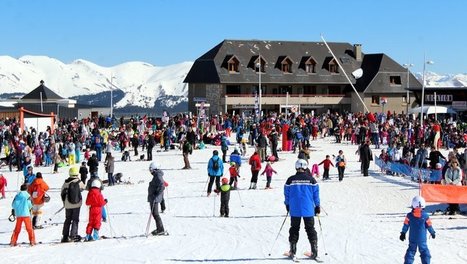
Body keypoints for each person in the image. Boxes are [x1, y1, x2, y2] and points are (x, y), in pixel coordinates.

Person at [284, 159, 321, 261]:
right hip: (308, 209)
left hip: (295, 209)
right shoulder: (312, 180)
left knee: (294, 228)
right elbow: (316, 195)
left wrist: (287, 205)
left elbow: (286, 194)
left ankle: (293, 251)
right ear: (306, 167)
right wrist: (317, 206)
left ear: (296, 167)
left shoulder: (290, 180)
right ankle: (314, 251)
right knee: (310, 229)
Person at [400, 196, 436, 264]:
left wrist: (403, 233)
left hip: (412, 238)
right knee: (424, 251)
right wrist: (432, 232)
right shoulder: (425, 216)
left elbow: (406, 225)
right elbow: (429, 225)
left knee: (411, 251)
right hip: (422, 239)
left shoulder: (409, 216)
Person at [61, 166, 85, 242]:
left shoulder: (66, 182)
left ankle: (65, 236)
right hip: (77, 204)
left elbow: (62, 193)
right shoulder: (79, 182)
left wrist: (64, 202)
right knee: (75, 219)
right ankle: (73, 235)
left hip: (68, 204)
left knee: (67, 219)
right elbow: (84, 188)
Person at [147, 162, 167, 236]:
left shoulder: (158, 175)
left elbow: (162, 185)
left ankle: (160, 229)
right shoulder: (156, 175)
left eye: (151, 170)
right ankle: (159, 228)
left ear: (155, 169)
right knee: (154, 214)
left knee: (155, 214)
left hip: (155, 198)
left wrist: (156, 193)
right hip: (153, 197)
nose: (150, 172)